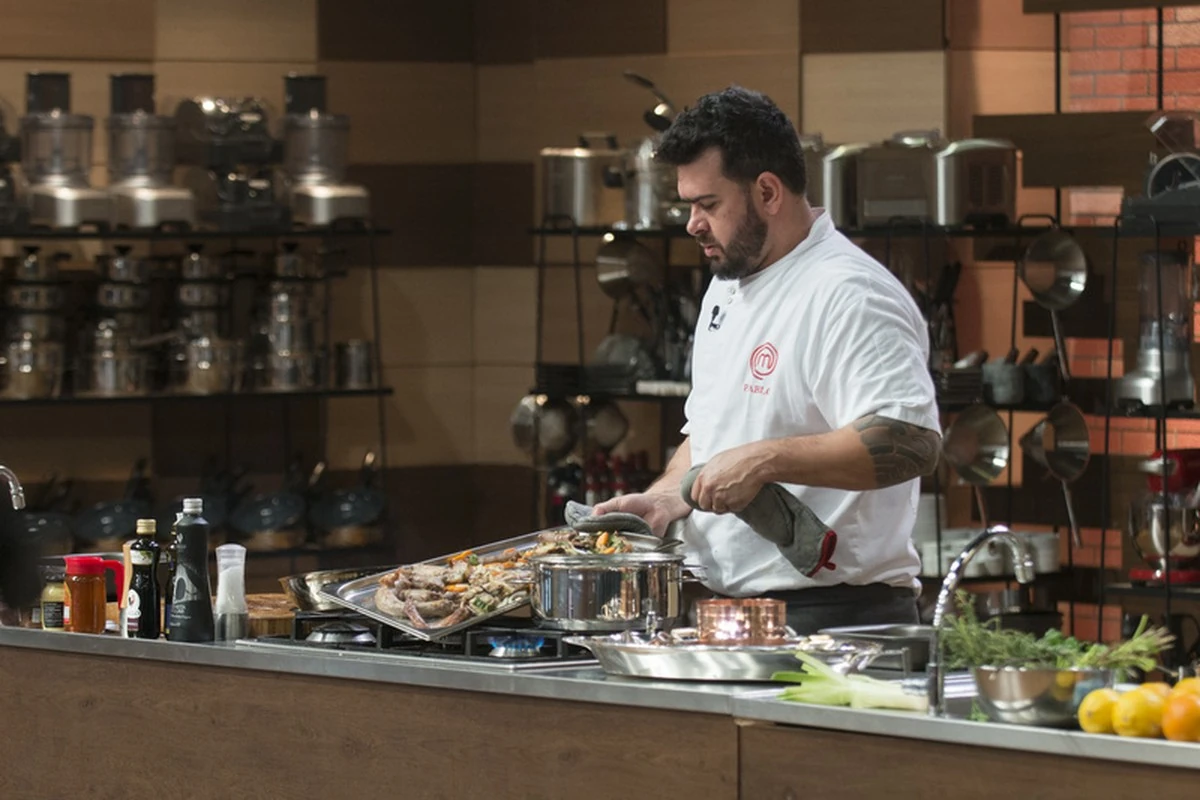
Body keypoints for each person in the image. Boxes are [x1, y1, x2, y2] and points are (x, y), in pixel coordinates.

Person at [592, 86, 942, 634]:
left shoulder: (849, 293)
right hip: (723, 615)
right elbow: (713, 431)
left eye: (708, 204)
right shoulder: (727, 284)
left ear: (768, 192)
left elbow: (913, 440)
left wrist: (765, 460)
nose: (692, 224)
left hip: (835, 620)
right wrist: (664, 499)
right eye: (688, 205)